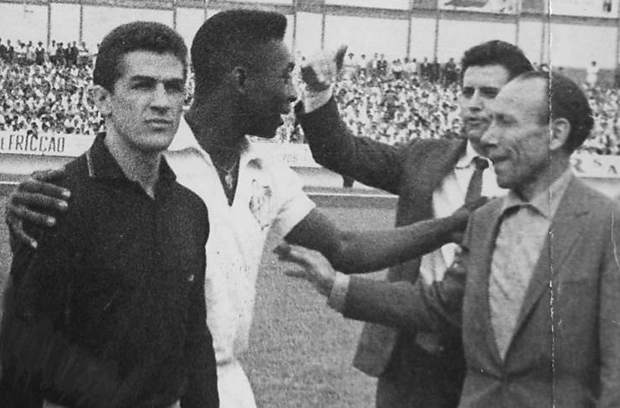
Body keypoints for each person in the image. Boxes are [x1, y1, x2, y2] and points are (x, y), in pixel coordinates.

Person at [5, 9, 483, 408]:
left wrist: (453, 224)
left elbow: (344, 246)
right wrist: (22, 206)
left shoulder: (263, 168)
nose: (291, 92)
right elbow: (27, 343)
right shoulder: (150, 155)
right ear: (239, 79)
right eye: (283, 75)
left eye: (173, 87)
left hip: (219, 383)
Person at [280, 71, 620, 408]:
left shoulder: (608, 225)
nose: (488, 137)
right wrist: (334, 285)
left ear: (556, 133)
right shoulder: (484, 220)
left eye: (505, 122)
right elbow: (441, 307)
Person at [296, 40, 534, 408]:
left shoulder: (533, 181)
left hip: (491, 362)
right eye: (466, 91)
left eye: (489, 92)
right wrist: (319, 90)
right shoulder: (424, 158)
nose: (473, 102)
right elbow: (341, 151)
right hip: (410, 354)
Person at [0, 21, 219, 408]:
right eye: (142, 85)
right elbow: (21, 356)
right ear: (102, 99)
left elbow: (195, 341)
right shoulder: (56, 202)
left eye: (174, 87)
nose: (162, 102)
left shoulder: (190, 209)